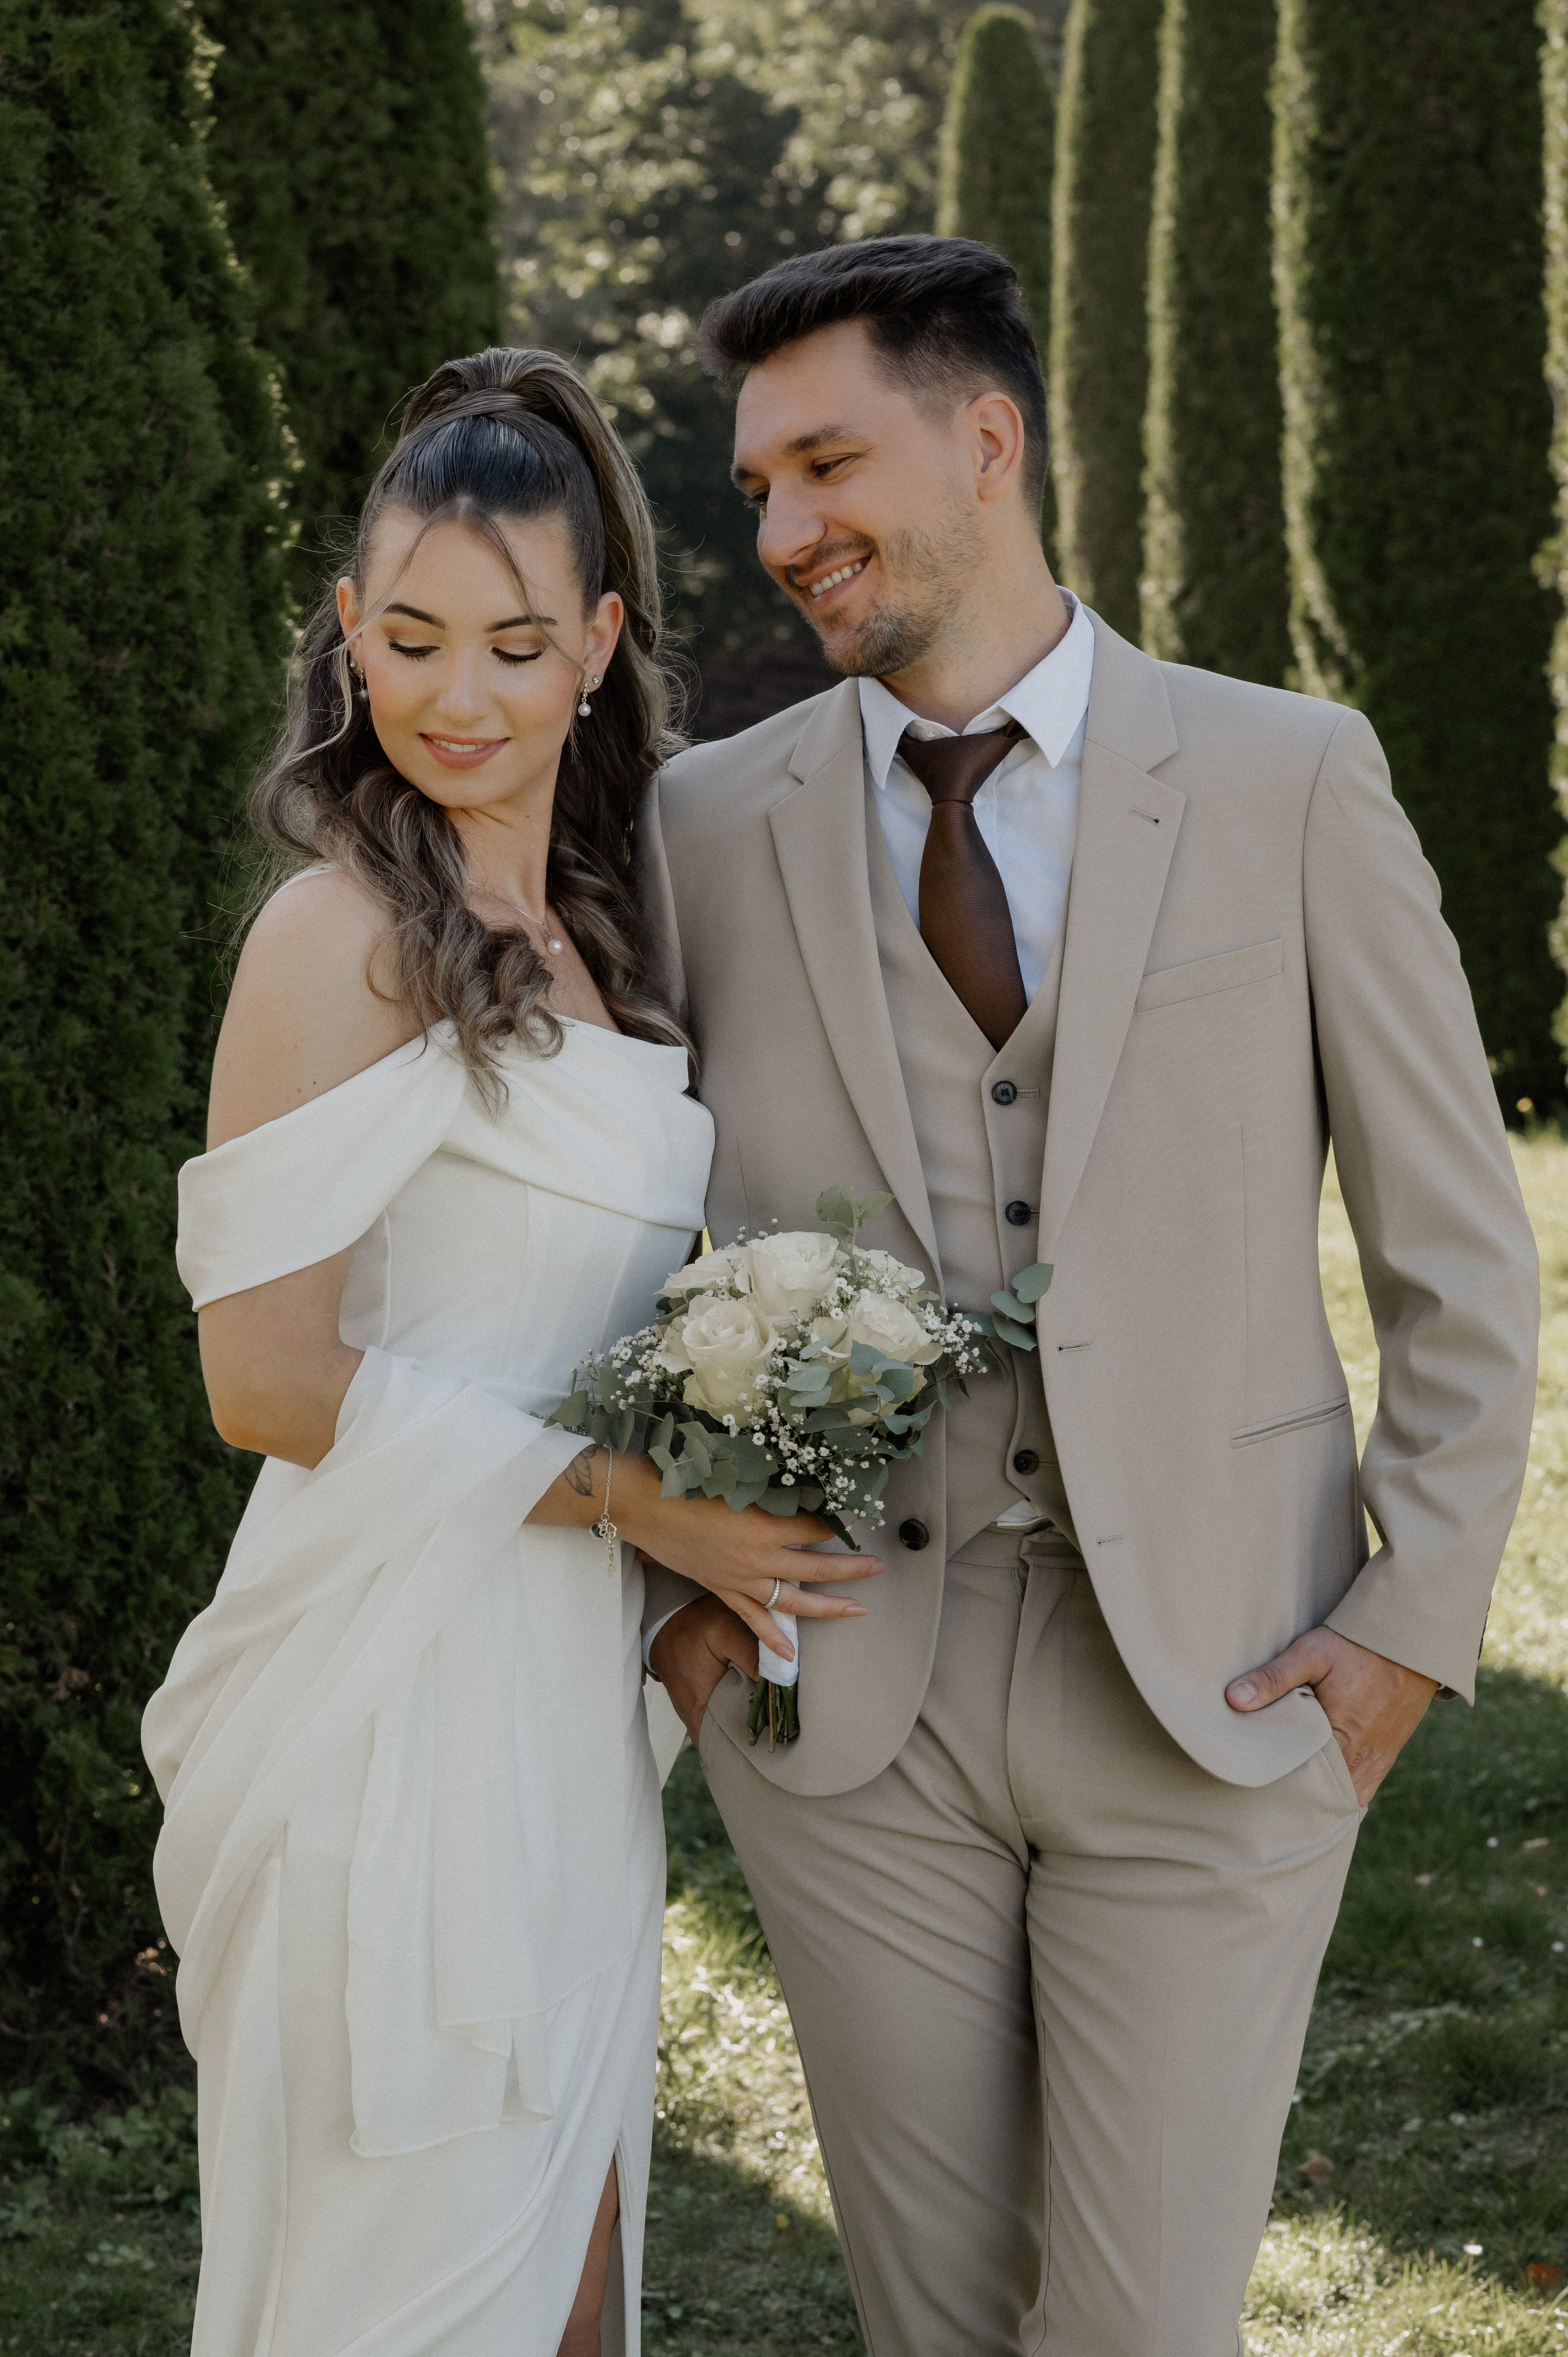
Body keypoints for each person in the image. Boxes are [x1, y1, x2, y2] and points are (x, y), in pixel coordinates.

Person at [639, 238, 1540, 2355]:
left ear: (988, 438)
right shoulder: (702, 826)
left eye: (828, 461)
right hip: (849, 1696)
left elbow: (1459, 1255)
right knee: (936, 2325)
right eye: (758, 483)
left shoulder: (1287, 775)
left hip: (1221, 1686)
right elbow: (626, 1228)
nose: (782, 531)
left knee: (1138, 2331)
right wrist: (678, 1589)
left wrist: (1403, 1637)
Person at [140, 347, 874, 2357]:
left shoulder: (601, 934)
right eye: (411, 640)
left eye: (517, 645)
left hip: (560, 1702)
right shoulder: (333, 936)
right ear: (353, 641)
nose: (460, 699)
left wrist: (683, 1587)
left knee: (567, 2302)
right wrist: (647, 1509)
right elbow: (268, 1384)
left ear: (599, 648)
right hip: (388, 1706)